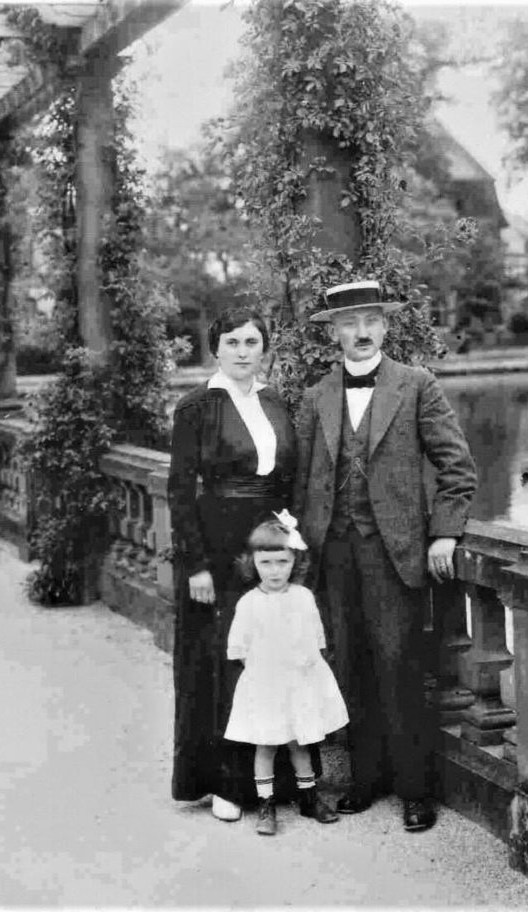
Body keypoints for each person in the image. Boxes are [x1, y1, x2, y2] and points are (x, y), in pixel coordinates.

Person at [293, 280, 477, 832]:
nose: (362, 332)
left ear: (387, 326)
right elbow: (300, 483)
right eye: (349, 323)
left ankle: (415, 792)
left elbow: (457, 469)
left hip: (395, 554)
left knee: (400, 668)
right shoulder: (314, 397)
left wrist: (445, 533)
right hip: (333, 556)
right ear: (334, 334)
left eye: (371, 320)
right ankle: (366, 780)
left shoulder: (417, 385)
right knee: (349, 668)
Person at [167, 307, 320, 823]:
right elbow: (180, 492)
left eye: (251, 341)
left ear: (264, 348)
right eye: (231, 341)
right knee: (223, 662)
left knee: (271, 658)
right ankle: (225, 783)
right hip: (215, 545)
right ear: (215, 348)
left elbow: (286, 476)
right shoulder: (196, 407)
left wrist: (288, 536)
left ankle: (276, 784)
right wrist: (195, 566)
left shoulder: (275, 401)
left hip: (267, 544)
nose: (241, 351)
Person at [224, 512, 348, 836]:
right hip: (265, 685)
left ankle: (309, 797)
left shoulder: (303, 597)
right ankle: (266, 804)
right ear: (253, 563)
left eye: (282, 561)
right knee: (265, 745)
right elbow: (237, 649)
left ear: (295, 561)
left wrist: (306, 670)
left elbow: (316, 639)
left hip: (298, 683)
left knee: (299, 743)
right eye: (266, 563)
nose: (275, 570)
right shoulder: (249, 603)